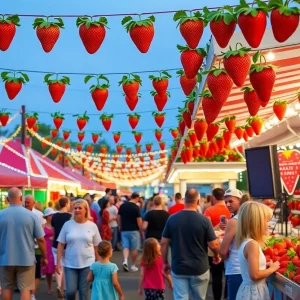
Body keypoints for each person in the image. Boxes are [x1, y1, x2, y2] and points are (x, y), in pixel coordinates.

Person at [161, 189, 221, 300]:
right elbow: (214, 245)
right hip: (199, 268)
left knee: (180, 297)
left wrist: (164, 262)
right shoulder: (204, 220)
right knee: (199, 298)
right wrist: (217, 256)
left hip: (179, 267)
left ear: (184, 200)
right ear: (198, 202)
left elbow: (164, 242)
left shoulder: (172, 219)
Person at [0, 187, 47, 300]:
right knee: (25, 289)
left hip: (5, 258)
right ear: (21, 198)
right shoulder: (31, 216)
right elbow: (41, 239)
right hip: (26, 259)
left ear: (7, 199)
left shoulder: (1, 214)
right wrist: (44, 257)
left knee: (6, 287)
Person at [56, 199, 101, 300]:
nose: (77, 210)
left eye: (80, 208)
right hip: (70, 264)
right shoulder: (67, 225)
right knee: (70, 291)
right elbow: (60, 244)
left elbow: (96, 246)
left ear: (86, 210)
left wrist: (98, 263)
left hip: (87, 264)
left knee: (83, 292)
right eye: (75, 208)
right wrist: (58, 262)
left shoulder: (92, 226)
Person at [235, 201, 280, 299]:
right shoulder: (252, 245)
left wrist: (264, 266)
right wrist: (273, 268)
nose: (269, 224)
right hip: (254, 292)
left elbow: (250, 268)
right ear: (256, 223)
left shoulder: (246, 242)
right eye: (267, 221)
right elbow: (254, 275)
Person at [204, 188, 231, 300]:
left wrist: (216, 227)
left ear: (213, 197)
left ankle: (217, 298)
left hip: (213, 248)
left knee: (216, 276)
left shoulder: (209, 211)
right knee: (229, 274)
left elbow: (206, 229)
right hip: (229, 245)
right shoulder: (230, 209)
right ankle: (227, 296)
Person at [220, 188, 245, 300]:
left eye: (231, 201)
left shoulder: (234, 221)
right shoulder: (246, 217)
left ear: (240, 201)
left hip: (235, 268)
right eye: (226, 202)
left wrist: (223, 255)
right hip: (245, 268)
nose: (227, 204)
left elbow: (223, 251)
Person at [24, 195, 46, 300]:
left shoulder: (39, 215)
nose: (26, 204)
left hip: (36, 247)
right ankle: (27, 292)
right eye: (25, 202)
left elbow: (42, 234)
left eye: (28, 202)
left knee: (36, 272)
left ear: (33, 203)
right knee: (25, 272)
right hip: (24, 247)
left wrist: (44, 255)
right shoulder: (21, 214)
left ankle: (32, 294)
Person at [51, 197, 72, 298]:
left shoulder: (54, 216)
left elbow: (53, 230)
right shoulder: (70, 216)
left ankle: (59, 285)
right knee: (66, 266)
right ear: (67, 204)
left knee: (58, 265)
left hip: (55, 244)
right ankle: (64, 288)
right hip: (67, 244)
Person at [117, 192, 143, 273]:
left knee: (126, 247)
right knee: (134, 248)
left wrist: (119, 226)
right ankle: (133, 265)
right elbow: (139, 220)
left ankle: (125, 261)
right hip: (134, 230)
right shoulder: (136, 207)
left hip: (124, 229)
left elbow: (118, 217)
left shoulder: (123, 206)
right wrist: (141, 230)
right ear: (137, 198)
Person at [42, 208, 56, 295]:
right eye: (51, 215)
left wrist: (53, 238)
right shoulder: (42, 226)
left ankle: (59, 287)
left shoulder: (55, 226)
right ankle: (49, 287)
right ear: (47, 216)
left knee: (55, 267)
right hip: (46, 247)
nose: (52, 216)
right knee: (48, 269)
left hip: (53, 247)